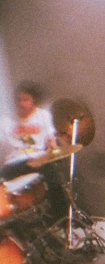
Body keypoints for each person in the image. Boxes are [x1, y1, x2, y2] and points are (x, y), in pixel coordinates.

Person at [0, 81, 69, 223]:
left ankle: (63, 220)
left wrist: (51, 151)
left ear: (33, 100)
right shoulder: (6, 120)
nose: (21, 103)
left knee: (53, 175)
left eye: (25, 100)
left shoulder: (43, 115)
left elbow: (51, 142)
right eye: (18, 100)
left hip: (39, 158)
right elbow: (3, 147)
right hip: (16, 163)